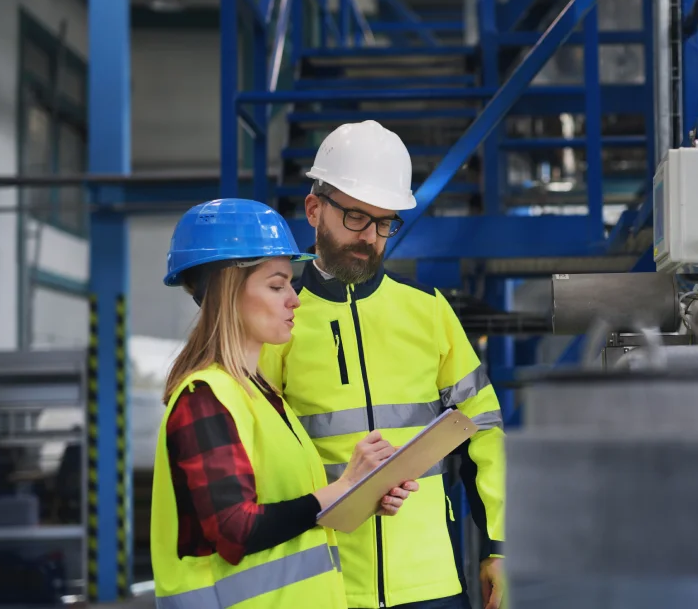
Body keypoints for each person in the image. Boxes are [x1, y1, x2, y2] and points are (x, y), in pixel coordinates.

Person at [259, 120, 507, 609]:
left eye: (384, 222)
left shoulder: (429, 313)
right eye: (354, 217)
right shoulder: (281, 319)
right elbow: (260, 457)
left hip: (429, 579)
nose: (369, 236)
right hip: (324, 583)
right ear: (314, 210)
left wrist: (499, 546)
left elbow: (484, 432)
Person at [150, 198, 419, 609]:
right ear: (228, 294)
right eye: (276, 285)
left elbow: (294, 514)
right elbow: (235, 530)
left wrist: (359, 494)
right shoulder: (203, 399)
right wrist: (341, 489)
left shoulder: (262, 394)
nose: (293, 299)